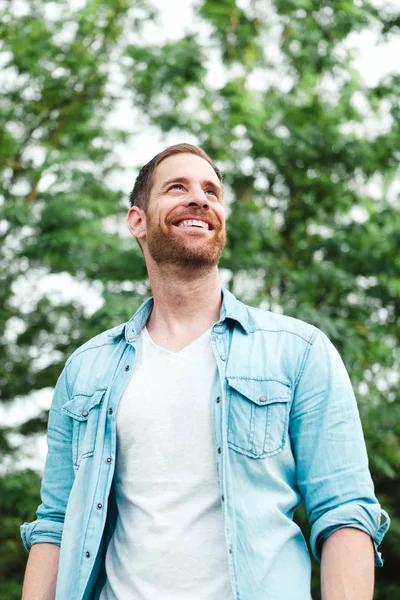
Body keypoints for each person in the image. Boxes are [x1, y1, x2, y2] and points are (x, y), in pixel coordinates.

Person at [21, 143, 389, 600]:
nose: (200, 199)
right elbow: (56, 523)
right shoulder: (85, 370)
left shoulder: (299, 352)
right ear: (137, 220)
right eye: (178, 187)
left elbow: (344, 513)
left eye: (212, 192)